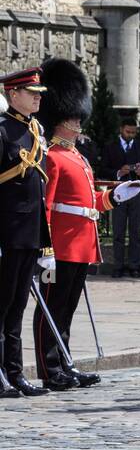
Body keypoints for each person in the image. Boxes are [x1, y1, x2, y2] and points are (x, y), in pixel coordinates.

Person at [33, 59, 140, 390]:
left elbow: (88, 204)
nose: (77, 121)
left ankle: (64, 362)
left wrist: (115, 197)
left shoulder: (77, 157)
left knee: (66, 310)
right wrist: (45, 246)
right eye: (71, 117)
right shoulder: (51, 156)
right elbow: (46, 206)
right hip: (60, 246)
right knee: (51, 308)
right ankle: (48, 369)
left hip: (80, 247)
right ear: (57, 120)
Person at [0, 67, 53, 399]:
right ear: (12, 94)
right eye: (31, 92)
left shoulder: (35, 130)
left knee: (17, 306)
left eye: (39, 93)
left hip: (30, 233)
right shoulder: (3, 131)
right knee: (1, 307)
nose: (37, 96)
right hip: (6, 233)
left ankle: (15, 373)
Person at [100, 107, 140, 277]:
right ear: (121, 130)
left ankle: (134, 266)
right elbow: (103, 169)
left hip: (136, 193)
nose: (131, 135)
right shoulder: (110, 147)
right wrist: (119, 172)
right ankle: (118, 266)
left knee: (136, 232)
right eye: (128, 132)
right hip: (117, 194)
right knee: (118, 232)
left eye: (134, 133)